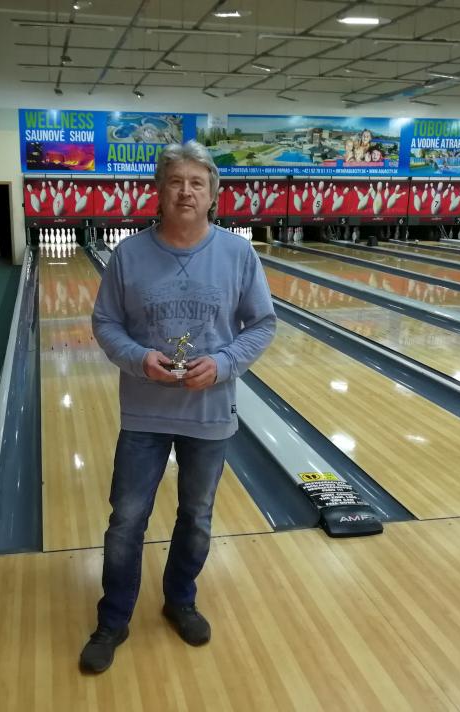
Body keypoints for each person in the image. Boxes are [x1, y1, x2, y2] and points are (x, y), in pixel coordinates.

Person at [81, 140, 277, 673]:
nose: (186, 191)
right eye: (175, 181)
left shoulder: (238, 254)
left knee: (196, 517)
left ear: (213, 194)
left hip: (209, 413)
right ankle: (113, 619)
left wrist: (225, 363)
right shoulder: (128, 255)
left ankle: (180, 600)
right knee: (126, 519)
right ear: (159, 191)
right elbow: (105, 323)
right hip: (144, 413)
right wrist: (138, 358)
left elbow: (262, 325)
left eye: (197, 183)